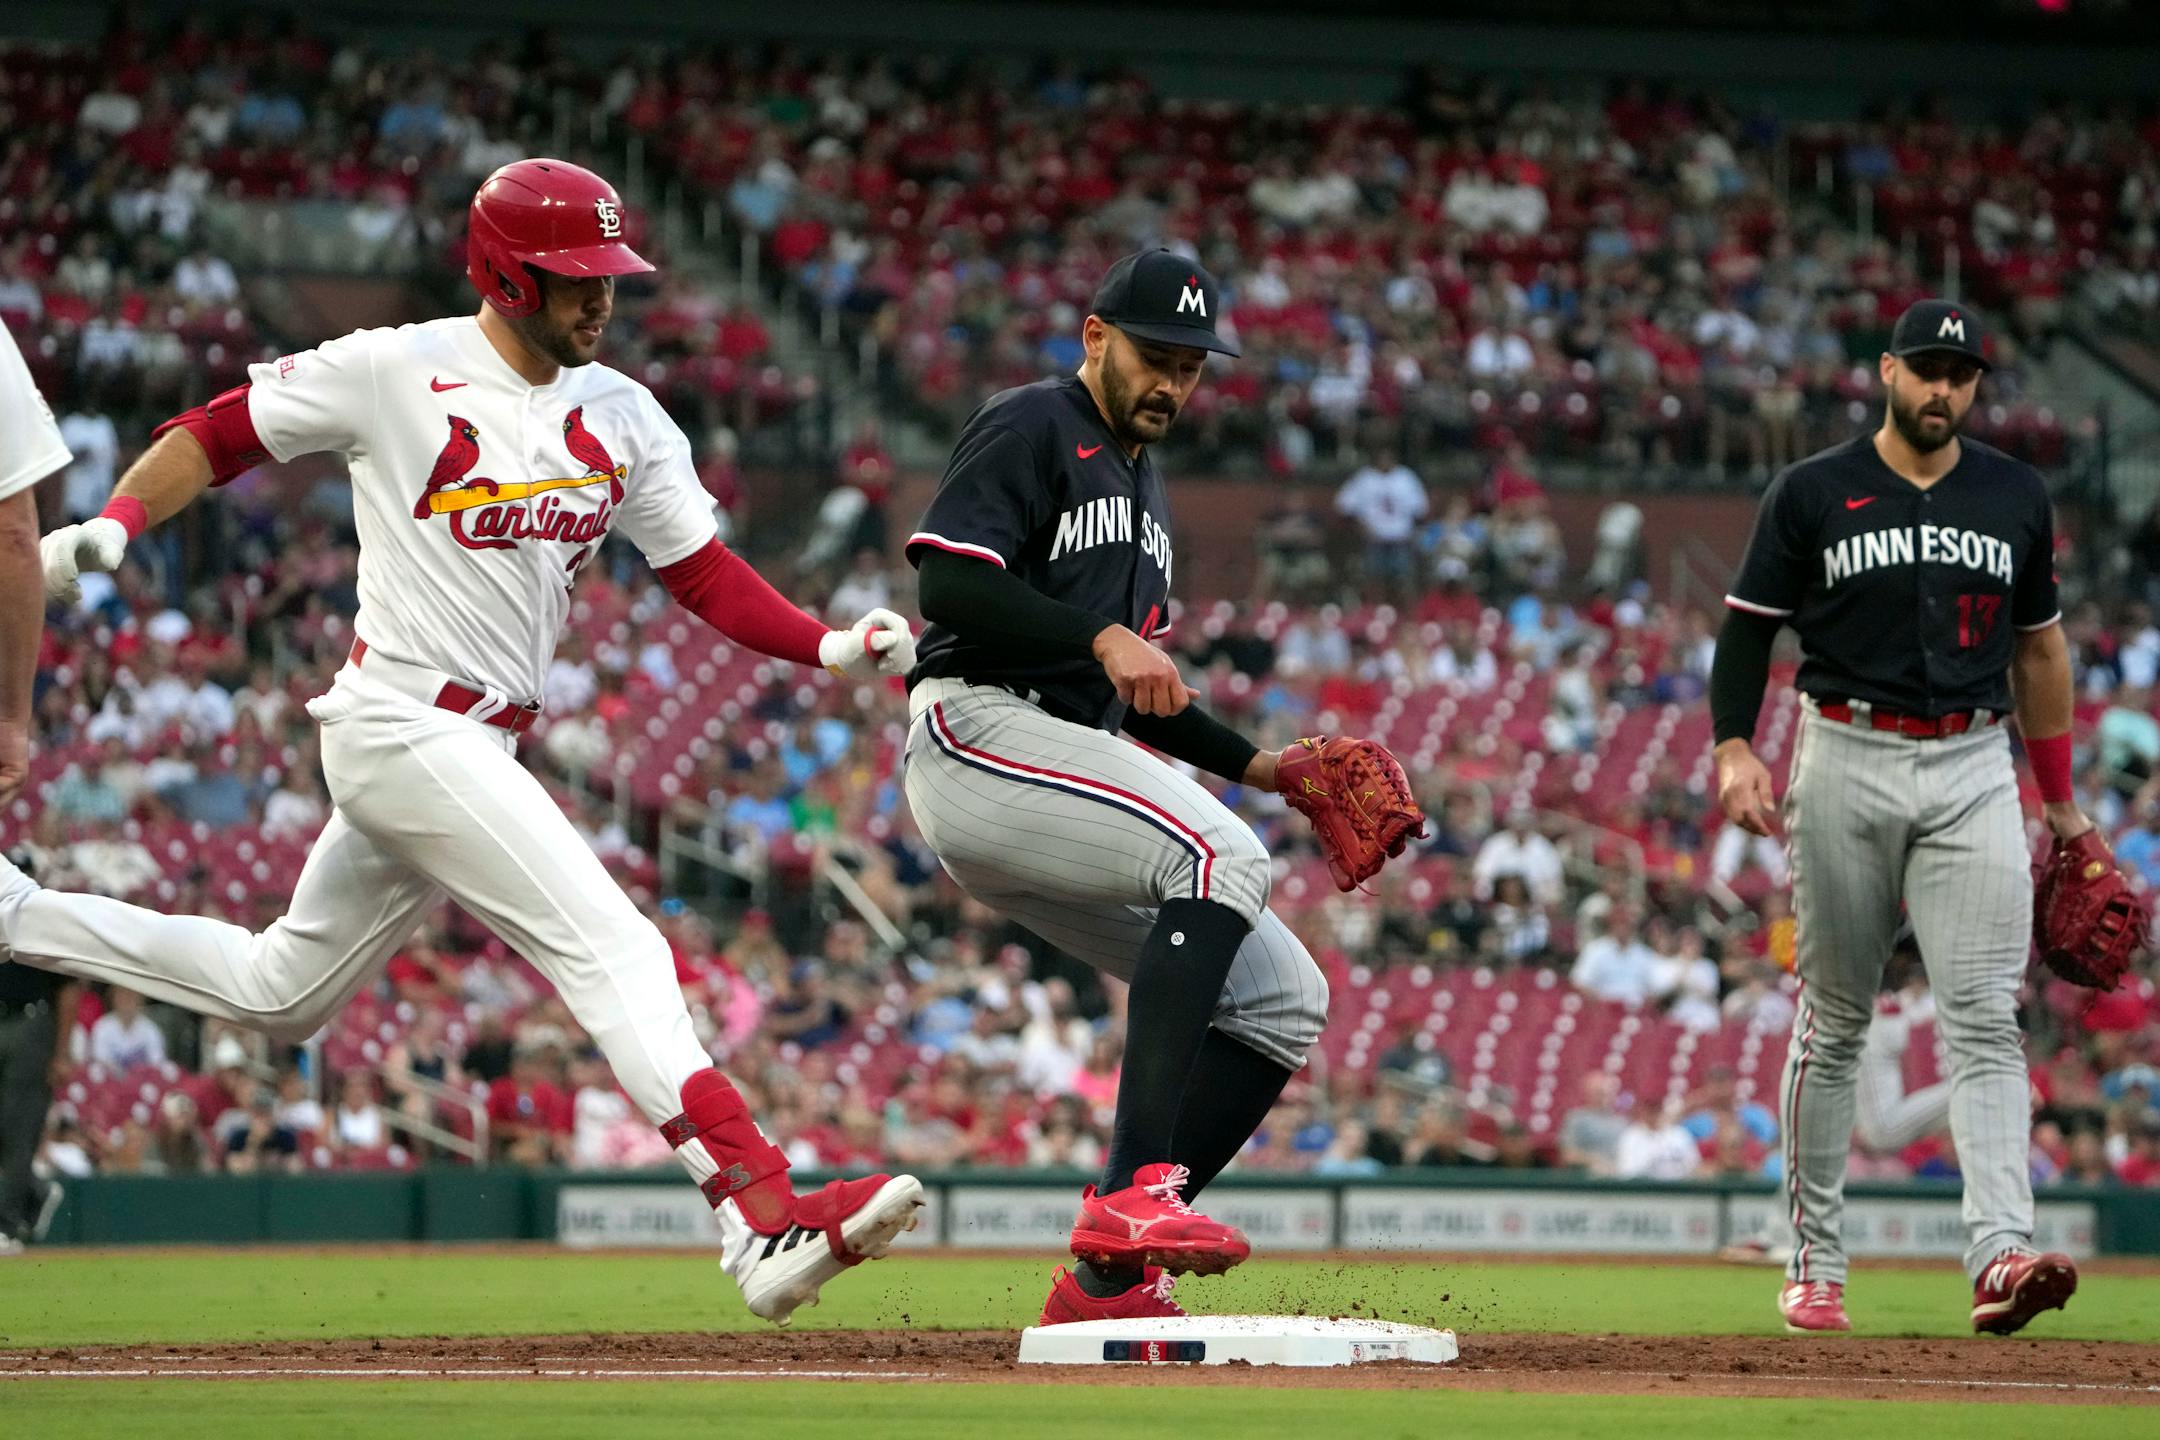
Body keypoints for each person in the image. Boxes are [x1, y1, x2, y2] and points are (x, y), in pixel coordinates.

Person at [1, 160, 923, 1323]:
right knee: (620, 948)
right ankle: (757, 1208)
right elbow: (218, 431)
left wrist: (828, 647)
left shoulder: (624, 412)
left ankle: (16, 915)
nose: (600, 301)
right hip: (401, 721)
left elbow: (703, 575)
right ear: (500, 271)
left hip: (482, 745)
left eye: (609, 278)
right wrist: (123, 519)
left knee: (282, 991)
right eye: (572, 279)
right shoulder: (396, 367)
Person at [901, 249, 1333, 1327]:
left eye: (1192, 368)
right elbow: (951, 578)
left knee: (1285, 1000)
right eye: (1157, 357)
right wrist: (1096, 634)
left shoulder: (1146, 489)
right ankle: (1136, 1196)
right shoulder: (1033, 422)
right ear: (1096, 338)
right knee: (1222, 856)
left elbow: (1143, 691)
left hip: (1060, 765)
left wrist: (1267, 767)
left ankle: (1103, 1285)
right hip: (979, 727)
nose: (1173, 385)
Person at [1712, 299, 2081, 1337]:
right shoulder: (1814, 490)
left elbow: (2041, 651)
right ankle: (1815, 1260)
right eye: (1925, 369)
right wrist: (1735, 745)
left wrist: (2062, 804)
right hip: (1844, 750)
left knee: (1986, 1022)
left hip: (1973, 759)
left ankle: (2001, 1253)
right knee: (1835, 1023)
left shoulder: (2015, 494)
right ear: (1886, 371)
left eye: (1960, 374)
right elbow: (1747, 634)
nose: (1942, 389)